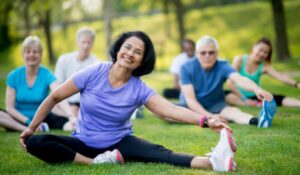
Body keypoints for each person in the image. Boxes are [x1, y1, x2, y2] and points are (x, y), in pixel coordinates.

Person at [20, 31, 237, 172]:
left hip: (119, 142)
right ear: (118, 49)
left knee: (160, 154)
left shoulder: (139, 88)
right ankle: (95, 162)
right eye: (127, 47)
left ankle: (212, 162)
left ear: (143, 60)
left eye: (138, 52)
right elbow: (55, 96)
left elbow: (169, 110)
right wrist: (31, 128)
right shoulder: (95, 71)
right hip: (83, 142)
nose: (130, 53)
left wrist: (207, 120)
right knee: (36, 142)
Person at [179, 35, 275, 126]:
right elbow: (191, 100)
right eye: (203, 53)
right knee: (170, 116)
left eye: (211, 52)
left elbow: (239, 79)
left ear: (217, 53)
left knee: (232, 112)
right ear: (197, 54)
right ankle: (199, 118)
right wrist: (209, 116)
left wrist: (257, 89)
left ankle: (258, 121)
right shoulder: (185, 68)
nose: (207, 56)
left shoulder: (222, 65)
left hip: (215, 104)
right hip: (190, 107)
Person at [0, 36, 76, 132]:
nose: (31, 54)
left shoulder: (47, 74)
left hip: (42, 118)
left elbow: (59, 94)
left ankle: (35, 127)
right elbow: (9, 108)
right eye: (28, 51)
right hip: (18, 119)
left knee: (71, 124)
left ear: (40, 55)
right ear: (23, 54)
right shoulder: (14, 76)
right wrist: (28, 122)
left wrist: (71, 116)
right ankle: (26, 129)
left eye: (35, 52)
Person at [225, 37, 300, 107]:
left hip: (255, 95)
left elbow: (280, 76)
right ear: (254, 47)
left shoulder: (264, 66)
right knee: (228, 96)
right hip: (236, 95)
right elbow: (230, 82)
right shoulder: (240, 60)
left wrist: (297, 84)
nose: (262, 54)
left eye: (265, 52)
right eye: (260, 50)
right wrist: (244, 99)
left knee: (277, 98)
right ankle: (249, 103)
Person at [54, 27, 100, 116]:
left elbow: (95, 92)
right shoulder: (63, 59)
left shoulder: (97, 64)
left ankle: (75, 117)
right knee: (51, 106)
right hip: (65, 102)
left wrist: (81, 107)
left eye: (89, 43)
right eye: (83, 42)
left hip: (84, 104)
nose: (86, 46)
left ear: (92, 44)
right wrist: (68, 107)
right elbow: (57, 86)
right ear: (77, 42)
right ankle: (72, 116)